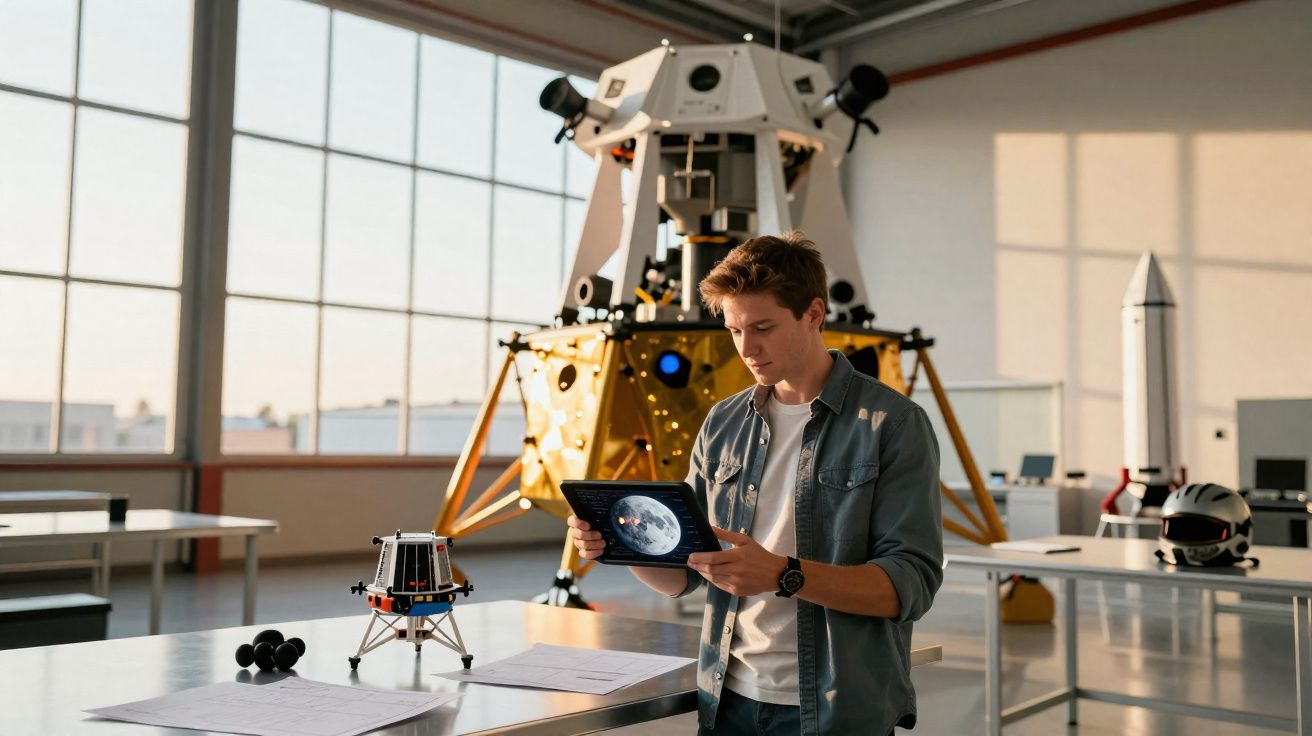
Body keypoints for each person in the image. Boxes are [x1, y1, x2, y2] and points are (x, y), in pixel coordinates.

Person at [568, 231, 944, 735]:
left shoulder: (891, 424)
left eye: (763, 327)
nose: (747, 348)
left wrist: (785, 575)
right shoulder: (723, 424)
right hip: (729, 701)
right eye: (734, 330)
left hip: (837, 709)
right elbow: (684, 575)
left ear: (813, 314)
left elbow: (910, 585)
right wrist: (621, 545)